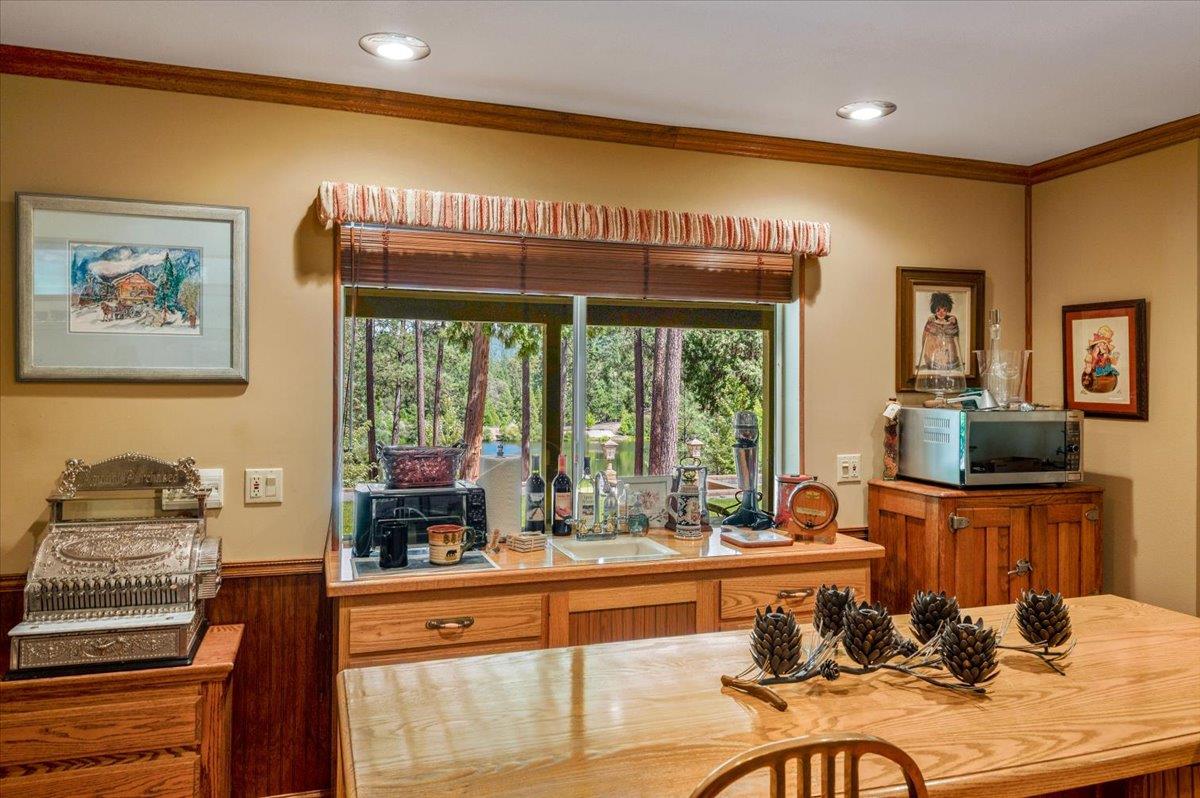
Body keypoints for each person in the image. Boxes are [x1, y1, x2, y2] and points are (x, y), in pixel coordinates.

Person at [918, 292, 962, 372]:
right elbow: (925, 338)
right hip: (933, 358)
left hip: (949, 360)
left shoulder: (952, 322)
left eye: (944, 310)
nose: (941, 313)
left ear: (947, 310)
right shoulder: (931, 321)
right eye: (938, 310)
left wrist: (954, 323)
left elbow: (956, 337)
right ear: (934, 309)